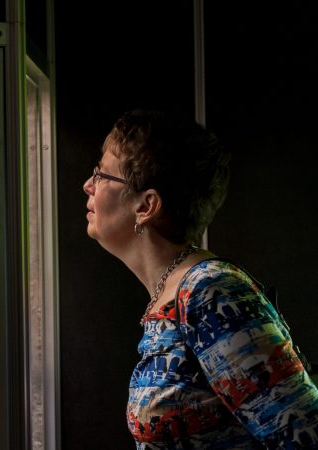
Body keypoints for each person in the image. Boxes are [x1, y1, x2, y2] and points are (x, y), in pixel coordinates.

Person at [83, 109, 318, 449]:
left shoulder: (211, 293)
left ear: (146, 205)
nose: (88, 185)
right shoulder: (174, 293)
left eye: (102, 175)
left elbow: (303, 435)